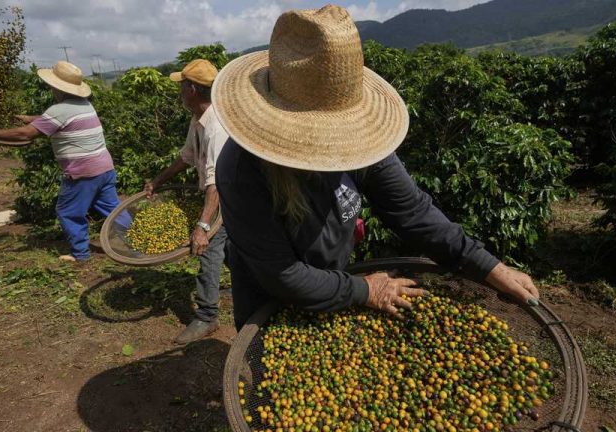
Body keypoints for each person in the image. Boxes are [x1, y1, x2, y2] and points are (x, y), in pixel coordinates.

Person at [211, 5, 541, 329]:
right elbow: (282, 274)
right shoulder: (243, 170)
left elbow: (412, 212)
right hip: (270, 294)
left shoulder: (358, 142)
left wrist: (491, 268)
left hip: (333, 284)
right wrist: (366, 289)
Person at [0, 61, 122, 263]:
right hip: (104, 168)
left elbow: (24, 136)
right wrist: (31, 118)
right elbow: (58, 120)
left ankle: (80, 254)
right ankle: (138, 238)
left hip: (82, 172)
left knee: (69, 212)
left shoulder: (59, 110)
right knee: (114, 210)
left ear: (55, 86)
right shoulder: (84, 104)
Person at [144, 59, 230, 344]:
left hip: (226, 199)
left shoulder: (217, 127)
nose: (179, 91)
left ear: (192, 88)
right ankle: (240, 291)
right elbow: (187, 157)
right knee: (235, 251)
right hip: (218, 195)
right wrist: (159, 180)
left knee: (208, 251)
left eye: (182, 86)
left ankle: (207, 316)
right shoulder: (198, 120)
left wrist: (203, 226)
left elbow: (215, 183)